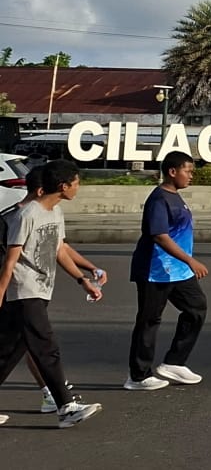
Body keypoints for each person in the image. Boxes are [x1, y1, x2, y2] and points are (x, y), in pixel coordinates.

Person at [0, 159, 104, 428]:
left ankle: (63, 405)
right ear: (63, 186)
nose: (78, 187)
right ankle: (66, 407)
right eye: (76, 183)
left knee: (8, 351)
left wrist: (82, 279)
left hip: (42, 289)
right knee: (46, 347)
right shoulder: (26, 215)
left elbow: (59, 250)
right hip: (24, 290)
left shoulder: (55, 213)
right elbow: (10, 262)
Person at [127, 151, 209, 391]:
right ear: (172, 172)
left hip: (178, 272)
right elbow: (160, 236)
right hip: (155, 270)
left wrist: (186, 263)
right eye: (188, 171)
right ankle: (138, 376)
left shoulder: (175, 197)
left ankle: (174, 362)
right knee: (149, 320)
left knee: (196, 308)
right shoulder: (159, 199)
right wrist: (190, 260)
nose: (191, 176)